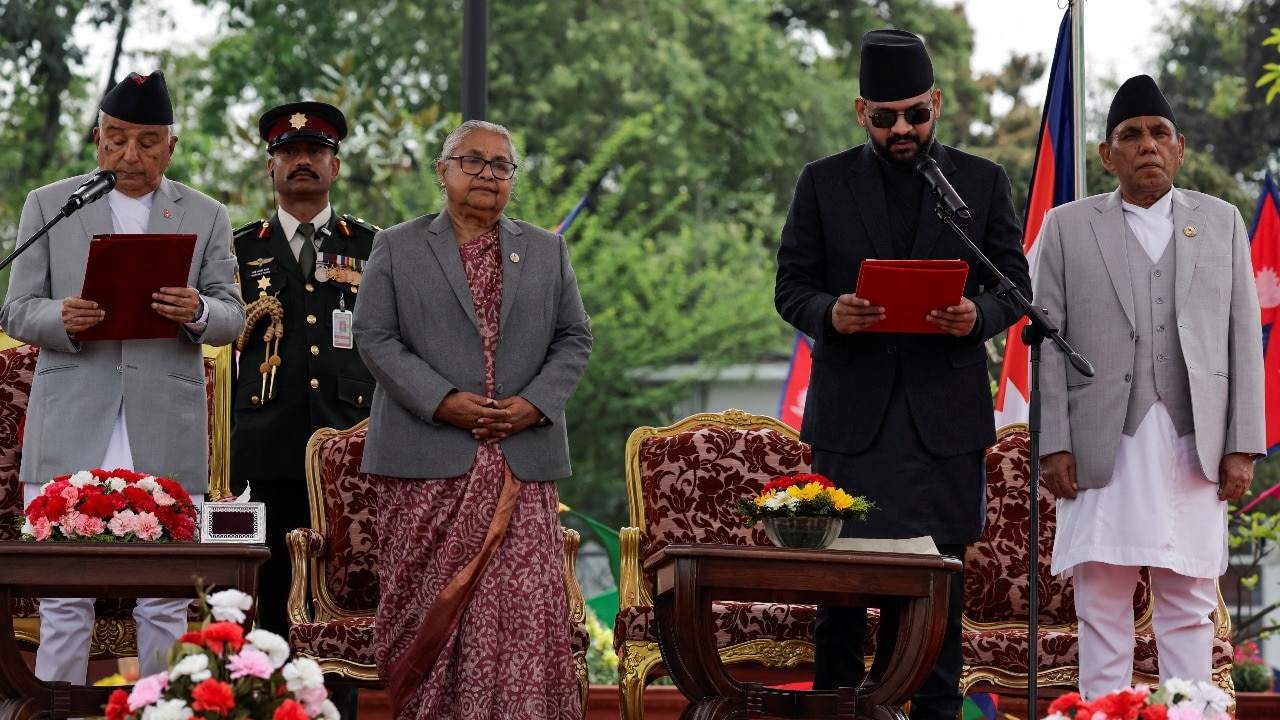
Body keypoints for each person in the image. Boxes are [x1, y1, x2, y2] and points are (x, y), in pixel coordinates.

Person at [774, 30, 1029, 719]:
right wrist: (834, 313)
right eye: (885, 118)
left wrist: (976, 316)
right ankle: (840, 711)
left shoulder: (979, 182)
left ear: (937, 103)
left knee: (936, 597)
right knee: (842, 601)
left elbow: (1014, 286)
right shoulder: (823, 182)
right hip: (852, 428)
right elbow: (791, 285)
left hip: (942, 427)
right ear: (862, 113)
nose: (902, 129)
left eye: (915, 114)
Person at [0, 71, 245, 686]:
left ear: (172, 146)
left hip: (163, 420)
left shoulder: (206, 214)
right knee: (63, 598)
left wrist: (198, 312)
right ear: (96, 138)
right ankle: (57, 706)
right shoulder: (50, 204)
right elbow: (16, 308)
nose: (129, 155)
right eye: (115, 139)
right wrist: (63, 316)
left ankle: (159, 705)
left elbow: (232, 313)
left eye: (147, 141)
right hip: (72, 419)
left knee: (164, 599)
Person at [352, 119, 591, 719]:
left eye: (501, 165)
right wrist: (442, 401)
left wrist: (533, 404)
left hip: (521, 460)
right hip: (426, 463)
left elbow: (574, 339)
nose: (488, 174)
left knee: (519, 619)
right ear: (443, 171)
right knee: (426, 611)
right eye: (473, 161)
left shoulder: (545, 248)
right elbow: (374, 338)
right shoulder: (397, 246)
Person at [1036, 74, 1265, 698]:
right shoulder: (1065, 227)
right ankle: (1101, 714)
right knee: (1102, 604)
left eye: (1159, 134)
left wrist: (1242, 445)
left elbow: (1245, 337)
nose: (1147, 146)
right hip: (1100, 443)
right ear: (1106, 155)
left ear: (1180, 147)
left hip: (1195, 441)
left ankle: (1191, 715)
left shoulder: (1221, 223)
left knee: (1189, 603)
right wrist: (1052, 443)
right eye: (1130, 136)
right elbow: (1046, 347)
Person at [230, 100, 378, 720]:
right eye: (289, 154)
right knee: (255, 598)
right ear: (271, 168)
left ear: (335, 166)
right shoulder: (238, 249)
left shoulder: (373, 246)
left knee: (334, 604)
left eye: (315, 152)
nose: (302, 162)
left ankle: (327, 713)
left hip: (350, 455)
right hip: (258, 454)